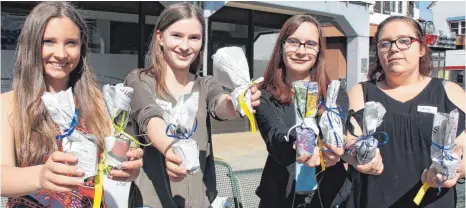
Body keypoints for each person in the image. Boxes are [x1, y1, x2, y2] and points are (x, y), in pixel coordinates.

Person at [1, 2, 143, 207]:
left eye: (71, 43)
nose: (61, 53)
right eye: (48, 41)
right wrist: (40, 176)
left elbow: (113, 166)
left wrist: (129, 169)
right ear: (31, 44)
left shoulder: (98, 103)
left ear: (82, 46)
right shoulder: (8, 104)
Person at [125, 3, 261, 208]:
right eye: (177, 36)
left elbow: (221, 104)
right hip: (151, 202)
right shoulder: (140, 80)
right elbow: (150, 116)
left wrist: (238, 101)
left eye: (194, 38)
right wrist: (171, 149)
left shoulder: (205, 85)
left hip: (199, 201)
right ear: (160, 37)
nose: (185, 46)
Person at [342, 16, 465, 208]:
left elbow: (463, 149)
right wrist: (356, 155)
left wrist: (451, 169)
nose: (394, 48)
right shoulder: (361, 92)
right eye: (385, 43)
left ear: (422, 48)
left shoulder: (449, 92)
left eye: (404, 41)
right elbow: (346, 140)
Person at [254, 14, 349, 208]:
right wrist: (298, 139)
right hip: (280, 196)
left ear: (319, 50)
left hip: (328, 195)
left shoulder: (334, 94)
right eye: (293, 42)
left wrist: (337, 149)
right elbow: (275, 136)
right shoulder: (265, 95)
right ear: (281, 46)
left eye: (310, 44)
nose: (301, 51)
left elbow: (341, 135)